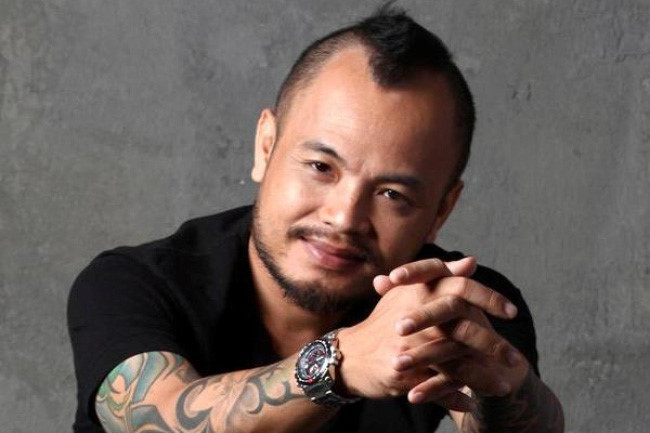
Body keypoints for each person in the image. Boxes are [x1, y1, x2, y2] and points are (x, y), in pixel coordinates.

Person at [68, 6, 564, 433]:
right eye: (321, 167)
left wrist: (501, 389)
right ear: (266, 147)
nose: (345, 217)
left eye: (392, 194)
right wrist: (339, 363)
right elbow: (157, 419)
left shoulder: (452, 303)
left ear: (441, 211)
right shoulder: (132, 283)